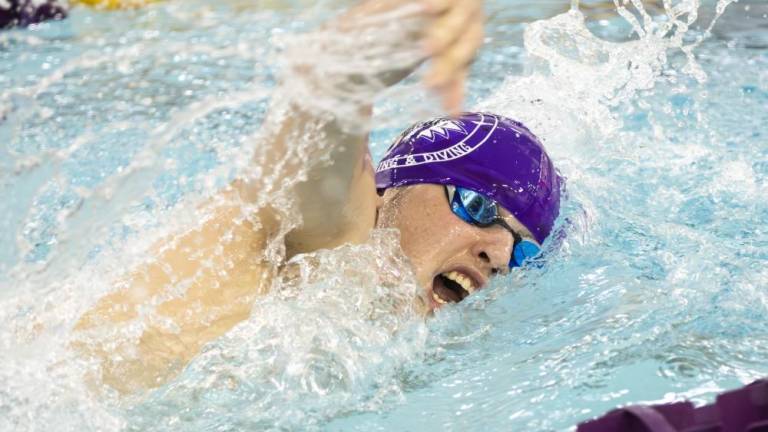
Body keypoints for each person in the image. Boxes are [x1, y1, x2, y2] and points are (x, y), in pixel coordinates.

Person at [73, 0, 562, 394]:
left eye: (521, 249)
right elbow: (321, 91)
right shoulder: (335, 228)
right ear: (393, 186)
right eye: (476, 207)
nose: (498, 254)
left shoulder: (382, 326)